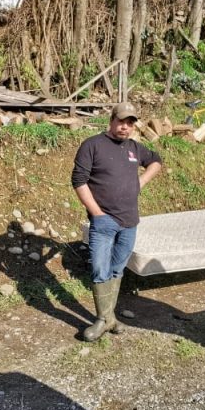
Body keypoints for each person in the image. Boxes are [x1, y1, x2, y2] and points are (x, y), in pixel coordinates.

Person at [71, 102, 162, 342]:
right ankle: (103, 319)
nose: (125, 127)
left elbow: (156, 161)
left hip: (129, 221)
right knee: (100, 270)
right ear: (111, 121)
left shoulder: (135, 148)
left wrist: (139, 184)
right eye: (121, 122)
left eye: (130, 123)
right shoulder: (92, 145)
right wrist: (97, 213)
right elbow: (79, 181)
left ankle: (109, 318)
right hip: (104, 220)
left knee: (117, 268)